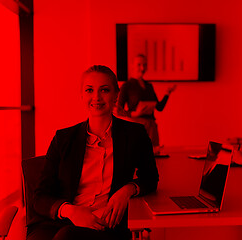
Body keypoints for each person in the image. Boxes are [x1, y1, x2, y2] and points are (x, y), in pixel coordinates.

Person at [28, 65, 159, 240]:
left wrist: (128, 189)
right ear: (82, 95)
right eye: (89, 90)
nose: (96, 97)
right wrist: (71, 211)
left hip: (106, 223)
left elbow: (150, 177)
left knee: (67, 237)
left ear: (116, 95)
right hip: (62, 218)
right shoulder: (63, 138)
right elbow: (40, 197)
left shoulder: (135, 134)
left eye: (104, 90)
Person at [116, 54, 176, 151]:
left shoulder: (149, 86)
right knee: (136, 156)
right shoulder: (127, 86)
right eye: (139, 65)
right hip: (136, 126)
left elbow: (159, 107)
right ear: (132, 66)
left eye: (145, 65)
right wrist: (135, 114)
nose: (142, 68)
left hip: (152, 127)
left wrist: (167, 93)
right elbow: (118, 110)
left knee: (154, 157)